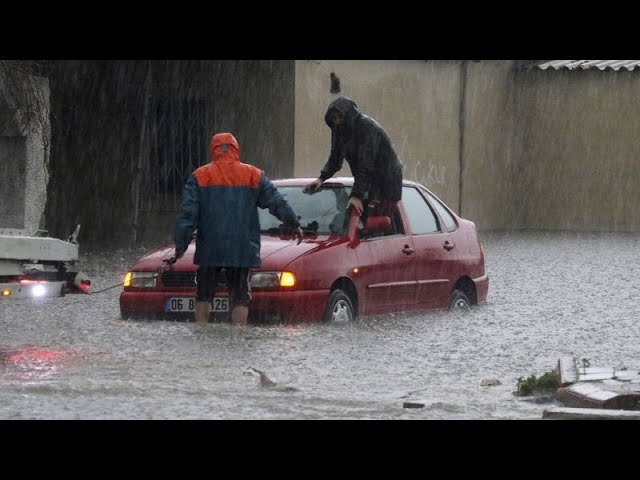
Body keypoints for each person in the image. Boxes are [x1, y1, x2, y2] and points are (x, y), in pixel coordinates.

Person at [173, 132, 303, 327]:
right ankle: (238, 335)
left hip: (211, 246)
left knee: (203, 294)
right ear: (235, 150)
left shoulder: (199, 176)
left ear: (213, 150)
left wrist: (180, 245)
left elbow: (188, 215)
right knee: (240, 295)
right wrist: (293, 223)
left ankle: (201, 332)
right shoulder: (253, 175)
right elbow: (276, 201)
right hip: (242, 246)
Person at [303, 96, 404, 219]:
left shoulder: (367, 128)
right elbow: (335, 158)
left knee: (380, 217)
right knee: (362, 214)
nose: (337, 121)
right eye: (334, 118)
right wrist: (321, 178)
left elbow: (365, 163)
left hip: (388, 179)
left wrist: (356, 195)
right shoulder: (339, 130)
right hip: (369, 180)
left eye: (340, 116)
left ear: (349, 115)